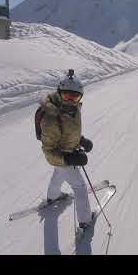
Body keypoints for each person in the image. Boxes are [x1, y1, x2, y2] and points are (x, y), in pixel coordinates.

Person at [38, 69, 94, 230]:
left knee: (58, 174)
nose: (71, 100)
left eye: (75, 96)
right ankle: (85, 221)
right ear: (59, 92)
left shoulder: (72, 108)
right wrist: (70, 159)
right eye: (67, 96)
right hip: (62, 156)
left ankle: (52, 197)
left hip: (64, 157)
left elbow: (69, 131)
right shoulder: (51, 117)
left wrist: (81, 140)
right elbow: (49, 152)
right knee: (80, 187)